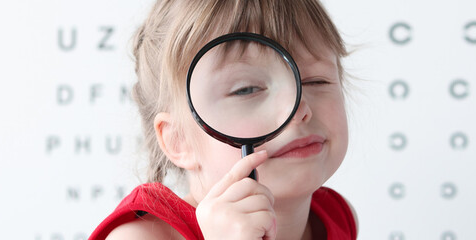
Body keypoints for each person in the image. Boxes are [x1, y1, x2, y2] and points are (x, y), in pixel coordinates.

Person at [88, 0, 357, 239]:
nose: (300, 110)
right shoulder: (141, 238)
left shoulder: (336, 217)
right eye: (247, 90)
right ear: (178, 140)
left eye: (316, 81)